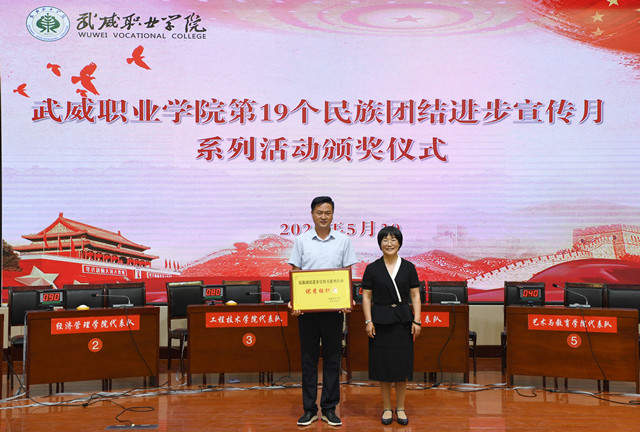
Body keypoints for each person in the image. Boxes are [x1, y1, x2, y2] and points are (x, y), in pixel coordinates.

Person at [288, 196, 358, 427]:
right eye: (319, 212)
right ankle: (309, 410)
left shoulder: (343, 240)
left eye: (328, 213)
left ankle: (329, 409)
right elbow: (296, 272)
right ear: (312, 214)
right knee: (308, 360)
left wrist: (347, 299)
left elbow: (347, 273)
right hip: (307, 312)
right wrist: (295, 301)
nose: (323, 216)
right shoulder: (301, 240)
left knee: (332, 360)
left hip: (333, 310)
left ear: (333, 215)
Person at [361, 226, 421, 426]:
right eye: (385, 240)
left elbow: (415, 295)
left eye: (393, 239)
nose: (389, 243)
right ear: (380, 244)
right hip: (380, 322)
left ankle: (400, 408)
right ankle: (387, 408)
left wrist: (417, 320)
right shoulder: (372, 268)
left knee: (401, 367)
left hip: (403, 322)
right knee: (384, 367)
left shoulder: (409, 267)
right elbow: (366, 297)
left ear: (399, 243)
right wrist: (368, 321)